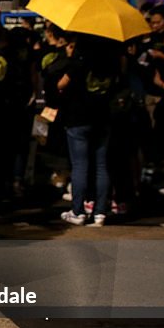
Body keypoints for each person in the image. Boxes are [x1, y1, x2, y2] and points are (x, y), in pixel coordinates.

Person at [56, 33, 118, 225]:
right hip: (103, 116)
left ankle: (78, 211)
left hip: (79, 117)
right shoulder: (112, 60)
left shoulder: (79, 61)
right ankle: (100, 212)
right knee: (101, 165)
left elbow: (61, 84)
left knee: (80, 165)